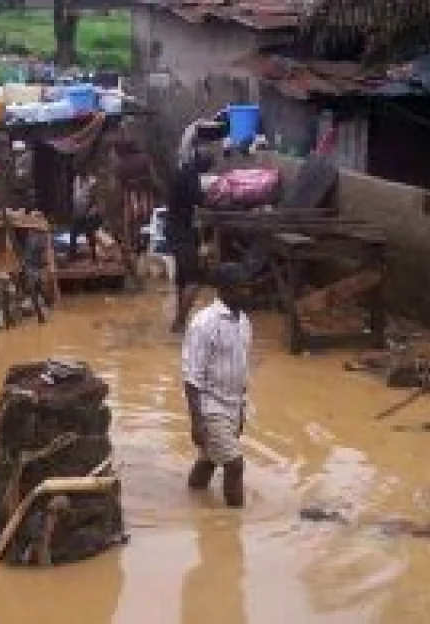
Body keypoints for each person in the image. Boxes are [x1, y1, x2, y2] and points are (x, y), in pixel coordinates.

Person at [182, 263, 252, 509]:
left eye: (247, 287)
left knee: (210, 460)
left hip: (233, 404)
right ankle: (234, 524)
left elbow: (241, 369)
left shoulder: (243, 321)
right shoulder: (204, 323)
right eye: (241, 288)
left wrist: (241, 410)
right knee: (234, 464)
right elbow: (192, 377)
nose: (247, 293)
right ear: (224, 290)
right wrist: (197, 421)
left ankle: (193, 500)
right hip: (210, 405)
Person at [169, 149, 214, 333]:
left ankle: (179, 321)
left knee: (182, 278)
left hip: (175, 230)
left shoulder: (182, 173)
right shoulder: (191, 176)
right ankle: (180, 321)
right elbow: (199, 199)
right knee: (195, 279)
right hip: (183, 233)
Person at [114, 137, 157, 286]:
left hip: (130, 207)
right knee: (147, 236)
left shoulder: (120, 166)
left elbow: (120, 188)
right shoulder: (145, 159)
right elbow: (153, 179)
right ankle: (143, 266)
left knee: (130, 240)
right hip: (147, 205)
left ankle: (135, 276)